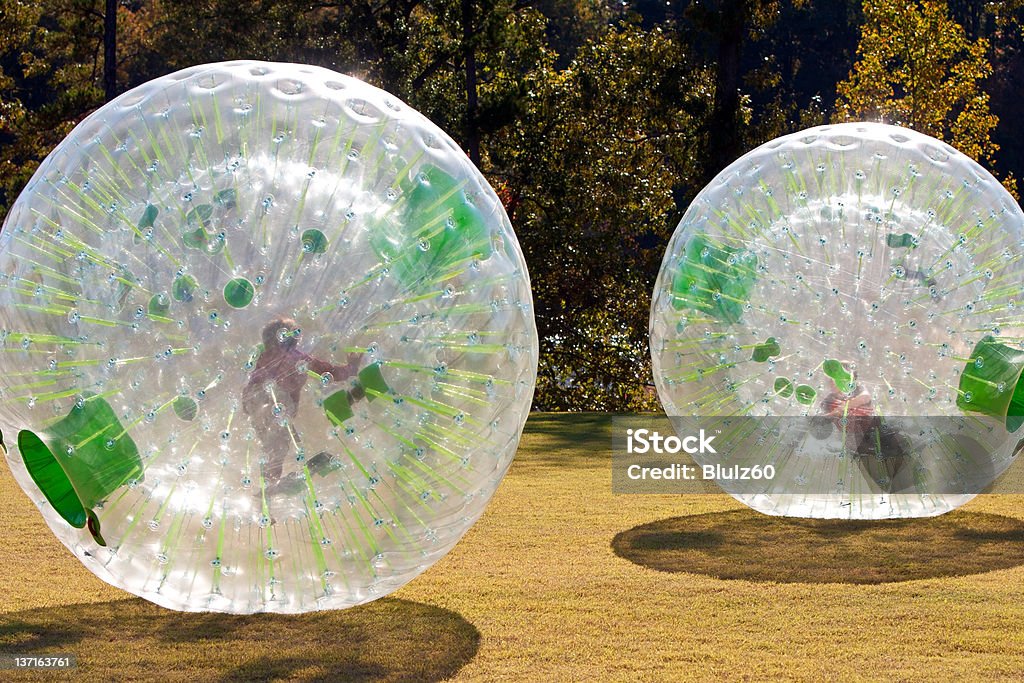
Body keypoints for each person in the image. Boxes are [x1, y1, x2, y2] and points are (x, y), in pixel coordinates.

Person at [242, 316, 363, 486]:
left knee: (274, 443)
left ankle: (268, 484)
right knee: (281, 443)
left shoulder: (264, 356)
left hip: (254, 400)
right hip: (277, 400)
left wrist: (247, 404)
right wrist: (351, 368)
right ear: (294, 338)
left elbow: (253, 380)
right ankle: (270, 483)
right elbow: (327, 371)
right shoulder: (297, 357)